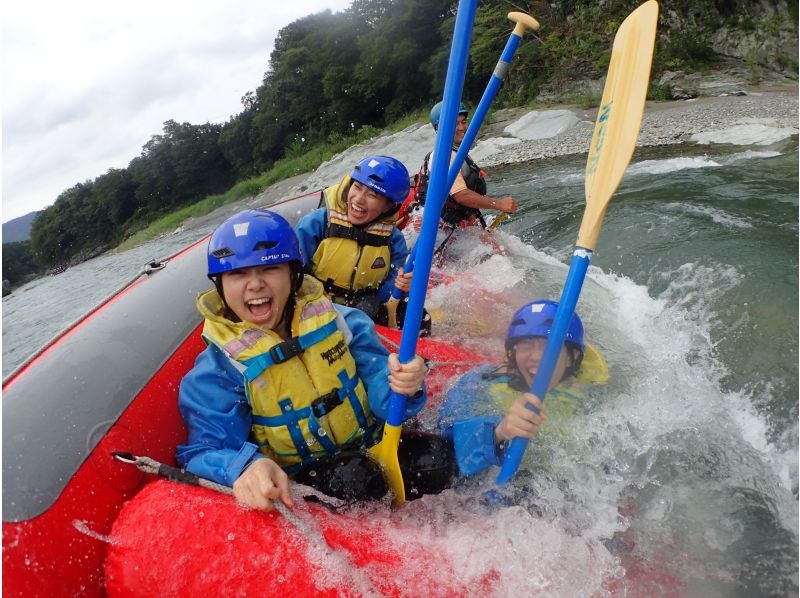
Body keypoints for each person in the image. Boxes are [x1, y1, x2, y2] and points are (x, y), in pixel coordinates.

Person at [177, 209, 455, 511]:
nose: (254, 285)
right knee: (358, 480)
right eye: (237, 274)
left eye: (268, 270)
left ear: (293, 275)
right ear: (220, 286)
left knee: (438, 460)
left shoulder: (342, 322)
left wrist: (406, 384)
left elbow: (383, 393)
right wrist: (245, 467)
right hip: (308, 474)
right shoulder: (219, 368)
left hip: (372, 442)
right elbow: (204, 451)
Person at [436, 299, 608, 477]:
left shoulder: (591, 403)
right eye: (525, 345)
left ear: (572, 357)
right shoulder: (480, 380)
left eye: (548, 345)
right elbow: (443, 438)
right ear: (513, 352)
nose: (536, 356)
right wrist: (498, 432)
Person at [294, 155, 428, 333]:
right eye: (357, 187)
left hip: (364, 305)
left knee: (420, 318)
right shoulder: (317, 223)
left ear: (389, 206)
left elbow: (393, 286)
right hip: (317, 303)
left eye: (372, 194)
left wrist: (404, 287)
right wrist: (314, 294)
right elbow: (292, 273)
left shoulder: (393, 239)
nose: (358, 199)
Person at [400, 102, 519, 252]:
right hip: (431, 226)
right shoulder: (443, 155)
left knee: (500, 251)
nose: (462, 128)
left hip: (452, 223)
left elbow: (461, 203)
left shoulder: (457, 154)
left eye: (463, 122)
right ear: (439, 128)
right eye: (454, 124)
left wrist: (477, 227)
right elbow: (461, 195)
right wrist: (499, 204)